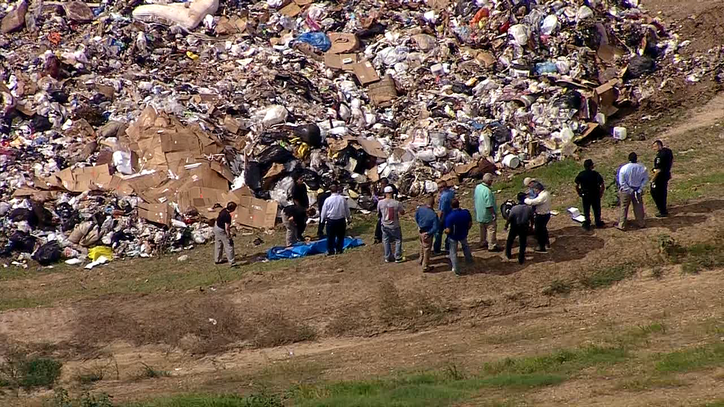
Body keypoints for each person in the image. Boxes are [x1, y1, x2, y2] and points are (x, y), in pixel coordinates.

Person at [617, 152, 648, 230]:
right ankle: (641, 223)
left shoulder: (624, 168)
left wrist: (629, 190)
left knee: (624, 207)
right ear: (636, 159)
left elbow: (622, 182)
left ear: (629, 159)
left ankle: (622, 224)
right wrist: (639, 189)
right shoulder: (642, 168)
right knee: (638, 206)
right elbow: (645, 179)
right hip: (637, 189)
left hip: (626, 191)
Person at [444, 199, 473, 276]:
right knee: (466, 247)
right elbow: (470, 223)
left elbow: (448, 230)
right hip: (463, 233)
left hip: (453, 236)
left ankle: (456, 269)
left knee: (453, 253)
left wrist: (445, 232)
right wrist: (467, 229)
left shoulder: (450, 217)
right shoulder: (466, 212)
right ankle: (469, 261)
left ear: (451, 206)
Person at [575, 159, 606, 230]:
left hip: (585, 195)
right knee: (597, 209)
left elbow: (576, 185)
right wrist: (601, 193)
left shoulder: (581, 174)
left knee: (586, 210)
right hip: (595, 194)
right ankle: (598, 222)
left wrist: (579, 192)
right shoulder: (596, 174)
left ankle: (587, 223)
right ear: (592, 166)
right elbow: (602, 185)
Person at [320, 184, 351, 255]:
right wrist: (348, 218)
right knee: (340, 236)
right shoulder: (342, 198)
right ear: (337, 190)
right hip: (341, 220)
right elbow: (347, 209)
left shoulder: (327, 200)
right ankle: (339, 249)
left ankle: (330, 250)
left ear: (330, 191)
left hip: (331, 220)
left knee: (330, 236)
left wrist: (322, 220)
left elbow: (324, 211)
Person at [377, 186, 405, 263]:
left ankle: (387, 257)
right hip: (395, 225)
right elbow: (402, 212)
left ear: (385, 193)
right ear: (392, 193)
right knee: (398, 240)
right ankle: (398, 257)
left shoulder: (380, 202)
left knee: (386, 241)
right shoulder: (396, 203)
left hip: (385, 225)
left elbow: (378, 213)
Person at [505, 192, 534, 264]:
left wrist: (506, 225)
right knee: (523, 242)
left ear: (517, 199)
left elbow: (510, 218)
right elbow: (532, 218)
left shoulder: (514, 208)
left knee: (510, 240)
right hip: (524, 226)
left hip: (514, 225)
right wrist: (531, 226)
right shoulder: (529, 208)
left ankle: (508, 254)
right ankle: (521, 258)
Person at [474, 173, 500, 251]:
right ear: (489, 181)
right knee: (491, 229)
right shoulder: (487, 191)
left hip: (479, 212)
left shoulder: (478, 187)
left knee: (482, 228)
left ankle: (483, 242)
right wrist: (493, 213)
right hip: (487, 214)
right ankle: (492, 245)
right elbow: (489, 205)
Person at [525, 181, 551, 252]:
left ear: (537, 189)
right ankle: (546, 242)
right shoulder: (546, 193)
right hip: (545, 214)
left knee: (539, 231)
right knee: (543, 229)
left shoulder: (543, 196)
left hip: (542, 215)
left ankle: (541, 246)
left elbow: (533, 202)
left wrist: (525, 200)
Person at [415, 196, 438, 272]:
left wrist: (419, 225)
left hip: (420, 230)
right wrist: (429, 233)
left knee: (421, 245)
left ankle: (420, 259)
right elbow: (435, 227)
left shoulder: (420, 209)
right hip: (427, 233)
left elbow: (416, 217)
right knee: (427, 249)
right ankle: (425, 266)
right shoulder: (433, 215)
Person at [651, 140, 673, 217]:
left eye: (654, 146)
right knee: (663, 192)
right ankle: (663, 207)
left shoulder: (660, 156)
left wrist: (652, 179)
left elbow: (658, 170)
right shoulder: (668, 152)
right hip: (666, 175)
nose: (654, 149)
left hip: (659, 178)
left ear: (659, 145)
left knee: (655, 192)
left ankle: (661, 210)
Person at [374, 178, 398, 244]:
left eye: (383, 183)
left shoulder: (390, 188)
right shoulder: (380, 188)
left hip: (390, 206)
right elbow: (376, 196)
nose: (382, 185)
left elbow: (395, 195)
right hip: (383, 206)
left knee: (390, 222)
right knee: (380, 222)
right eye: (382, 183)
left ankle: (390, 237)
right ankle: (378, 237)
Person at [434, 181, 455, 254]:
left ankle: (437, 249)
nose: (438, 189)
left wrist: (438, 219)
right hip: (451, 215)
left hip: (443, 217)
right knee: (449, 232)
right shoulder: (451, 192)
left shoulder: (443, 197)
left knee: (438, 233)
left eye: (439, 188)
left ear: (444, 187)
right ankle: (447, 247)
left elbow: (441, 210)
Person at [214, 202, 237, 267]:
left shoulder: (223, 210)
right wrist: (229, 237)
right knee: (229, 246)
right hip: (221, 230)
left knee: (218, 244)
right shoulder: (227, 216)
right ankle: (232, 262)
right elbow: (227, 228)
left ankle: (217, 259)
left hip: (216, 227)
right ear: (233, 209)